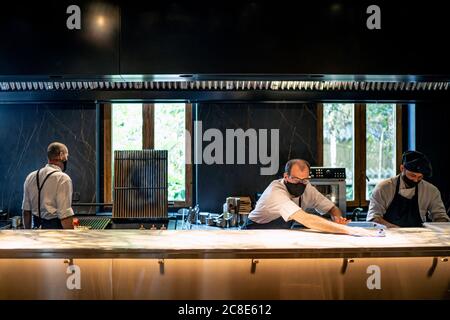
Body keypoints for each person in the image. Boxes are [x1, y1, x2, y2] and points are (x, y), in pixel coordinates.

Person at [246, 159, 377, 236]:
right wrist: (347, 230)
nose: (301, 183)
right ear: (286, 177)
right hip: (254, 234)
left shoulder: (306, 187)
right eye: (296, 179)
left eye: (304, 180)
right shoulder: (275, 192)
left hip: (279, 235)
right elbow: (306, 219)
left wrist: (337, 218)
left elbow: (331, 207)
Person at [367, 150, 449, 228]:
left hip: (419, 238)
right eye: (412, 175)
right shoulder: (383, 188)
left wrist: (440, 226)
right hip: (389, 237)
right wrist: (399, 231)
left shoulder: (431, 191)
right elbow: (374, 218)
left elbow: (441, 217)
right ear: (402, 168)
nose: (416, 180)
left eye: (420, 177)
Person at [22, 142, 75, 229]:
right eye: (67, 156)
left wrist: (28, 232)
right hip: (55, 232)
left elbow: (26, 212)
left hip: (36, 230)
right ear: (61, 155)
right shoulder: (63, 178)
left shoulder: (31, 176)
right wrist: (73, 239)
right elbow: (65, 216)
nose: (66, 159)